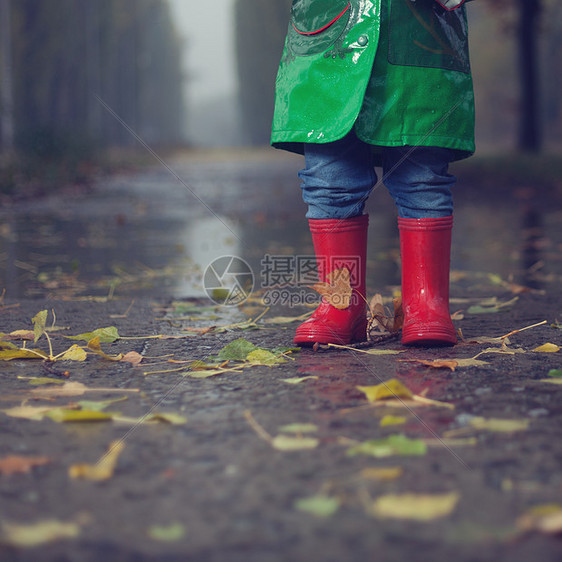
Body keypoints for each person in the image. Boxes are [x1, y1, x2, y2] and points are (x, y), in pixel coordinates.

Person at [271, 0, 475, 347]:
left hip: (419, 38)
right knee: (329, 181)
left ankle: (427, 304)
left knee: (422, 180)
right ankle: (341, 305)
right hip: (326, 38)